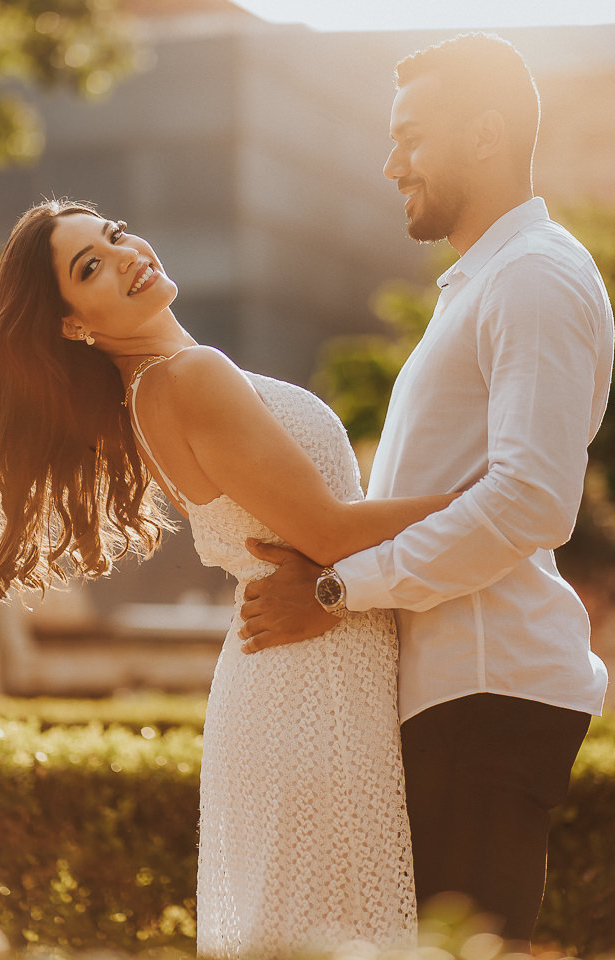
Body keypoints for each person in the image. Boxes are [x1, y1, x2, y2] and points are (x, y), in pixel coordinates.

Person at [0, 199, 459, 957]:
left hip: (293, 674)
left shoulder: (162, 385)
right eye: (91, 267)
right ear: (72, 324)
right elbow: (329, 530)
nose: (127, 252)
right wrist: (496, 494)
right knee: (344, 927)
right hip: (311, 685)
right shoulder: (187, 376)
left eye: (113, 234)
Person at [238, 32, 615, 946]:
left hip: (487, 697)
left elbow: (530, 499)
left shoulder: (533, 277)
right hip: (456, 700)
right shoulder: (482, 283)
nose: (389, 161)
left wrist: (336, 591)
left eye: (411, 136)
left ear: (484, 136)